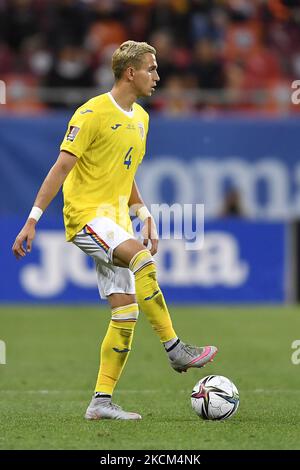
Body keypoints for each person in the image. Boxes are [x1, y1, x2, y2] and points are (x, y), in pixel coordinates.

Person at [12, 41, 218, 420]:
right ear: (130, 73)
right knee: (141, 258)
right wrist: (33, 219)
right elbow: (61, 167)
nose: (157, 76)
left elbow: (125, 172)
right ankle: (174, 348)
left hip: (117, 221)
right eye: (151, 69)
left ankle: (100, 402)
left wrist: (143, 213)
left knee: (125, 314)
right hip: (87, 217)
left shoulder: (142, 118)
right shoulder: (91, 113)